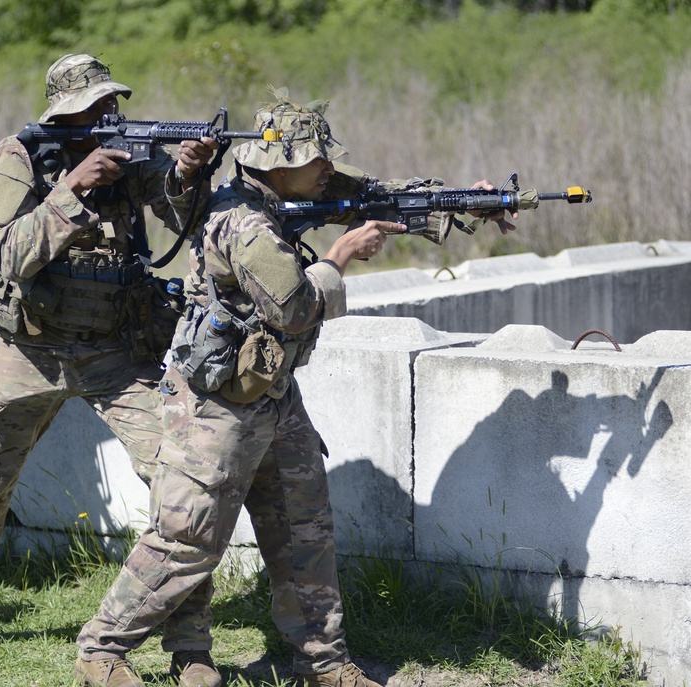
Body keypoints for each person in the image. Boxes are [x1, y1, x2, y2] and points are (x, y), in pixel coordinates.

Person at [73, 91, 516, 687]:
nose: (327, 170)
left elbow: (377, 196)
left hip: (272, 394)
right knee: (187, 540)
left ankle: (324, 663)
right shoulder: (245, 223)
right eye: (319, 161)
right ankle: (101, 650)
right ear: (282, 164)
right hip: (217, 407)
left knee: (303, 530)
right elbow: (295, 308)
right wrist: (339, 257)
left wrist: (465, 203)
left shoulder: (287, 193)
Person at [0, 54, 222, 685]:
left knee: (176, 482)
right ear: (64, 111)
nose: (108, 115)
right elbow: (9, 256)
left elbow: (181, 219)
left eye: (112, 104)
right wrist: (71, 188)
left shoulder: (130, 156)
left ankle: (190, 646)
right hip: (32, 350)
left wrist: (185, 173)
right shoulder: (21, 155)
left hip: (113, 350)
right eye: (95, 106)